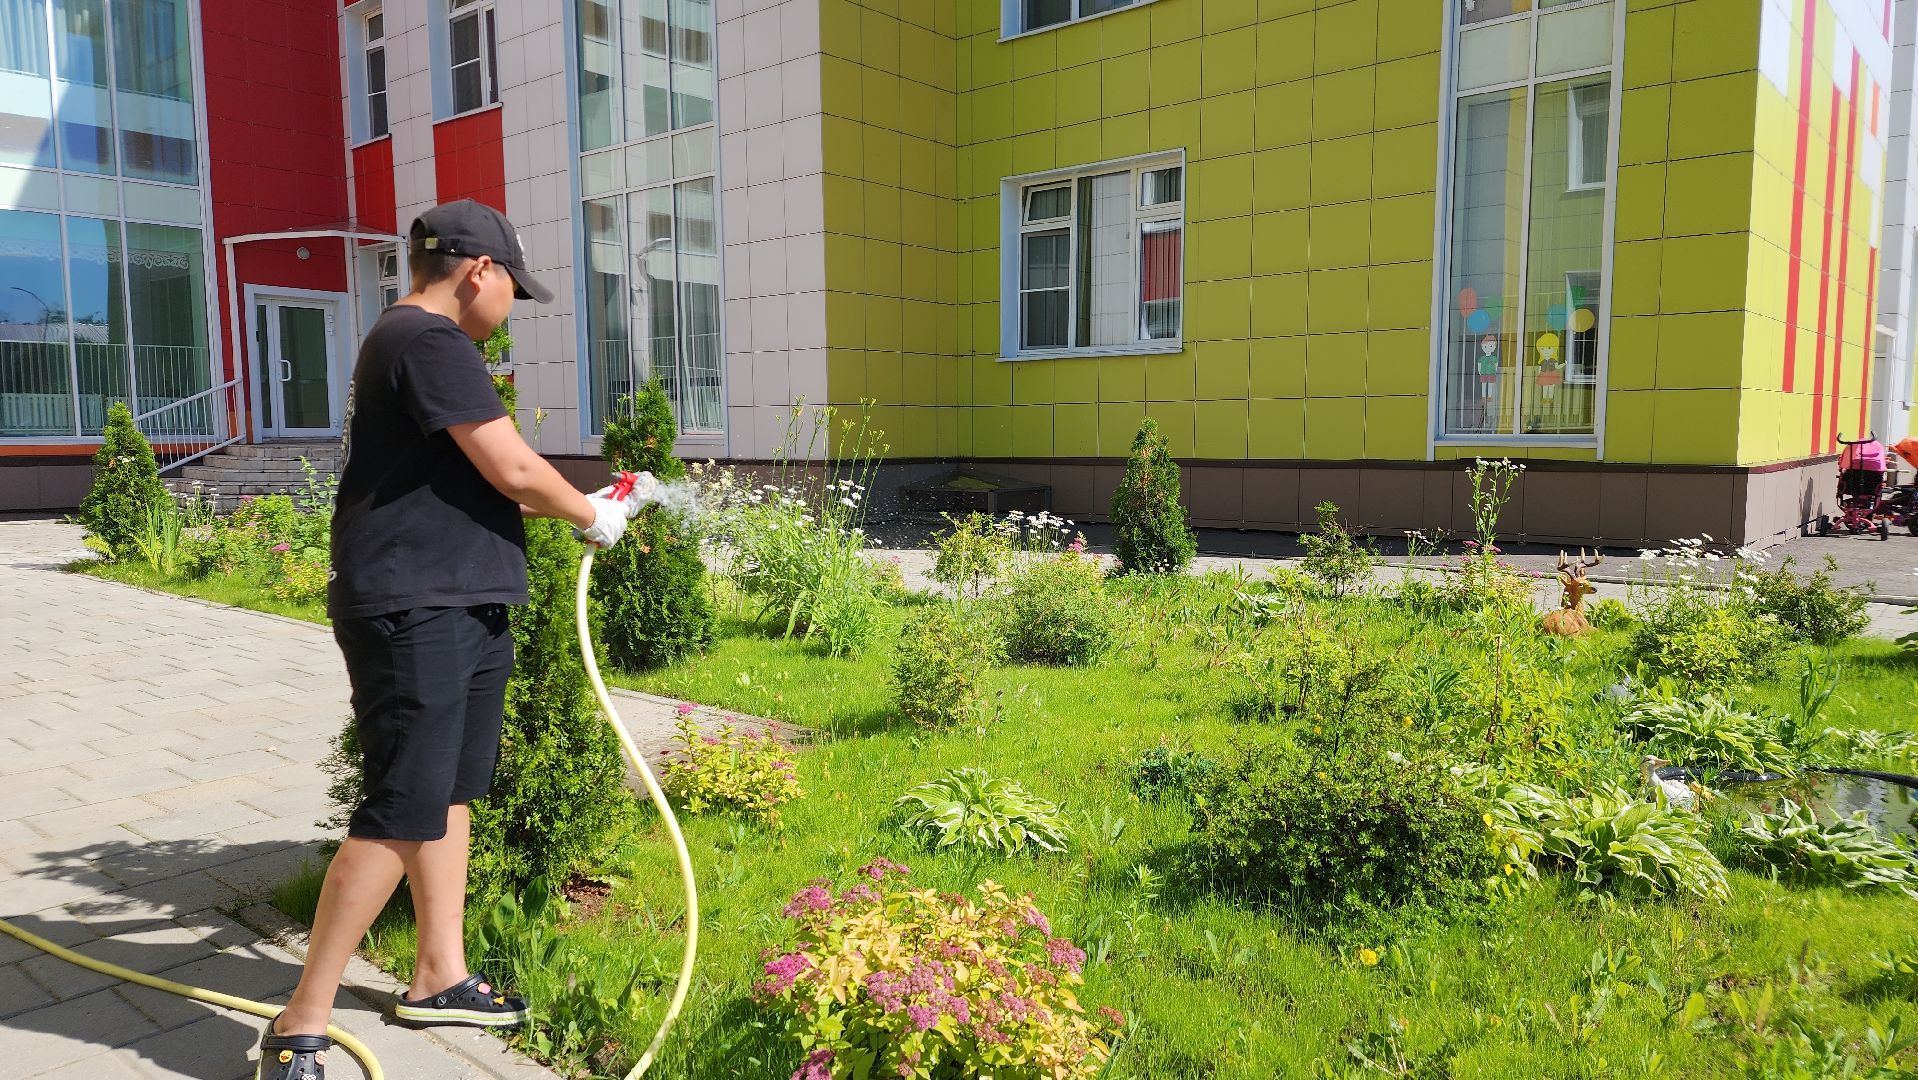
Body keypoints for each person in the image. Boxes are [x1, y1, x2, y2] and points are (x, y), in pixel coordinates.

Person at [256, 200, 640, 1080]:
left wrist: (586, 503)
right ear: (479, 271)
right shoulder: (431, 344)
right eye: (515, 287)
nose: (512, 306)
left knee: (449, 794)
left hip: (455, 600)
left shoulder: (414, 343)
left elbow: (480, 469)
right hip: (414, 606)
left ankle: (439, 975)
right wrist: (594, 516)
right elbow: (509, 467)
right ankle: (298, 1025)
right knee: (401, 807)